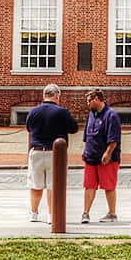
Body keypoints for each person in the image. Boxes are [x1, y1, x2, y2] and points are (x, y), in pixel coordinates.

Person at [23, 83, 79, 224]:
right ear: (57, 96)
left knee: (35, 185)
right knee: (53, 186)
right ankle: (51, 215)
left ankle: (34, 213)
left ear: (44, 96)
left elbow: (29, 128)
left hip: (36, 151)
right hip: (55, 153)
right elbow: (74, 128)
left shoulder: (33, 111)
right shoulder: (62, 112)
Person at [79, 90, 122, 224]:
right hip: (91, 156)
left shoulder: (111, 115)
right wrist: (85, 151)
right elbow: (87, 135)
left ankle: (112, 213)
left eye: (89, 101)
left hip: (107, 159)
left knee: (109, 186)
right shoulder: (91, 114)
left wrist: (108, 153)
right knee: (89, 185)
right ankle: (85, 213)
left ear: (96, 99)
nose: (88, 104)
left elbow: (114, 138)